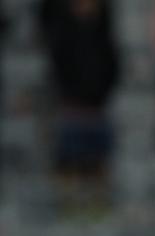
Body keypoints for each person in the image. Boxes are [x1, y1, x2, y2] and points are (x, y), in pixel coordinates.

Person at [38, 0, 120, 216]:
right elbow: (58, 70)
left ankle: (98, 206)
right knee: (69, 162)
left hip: (97, 110)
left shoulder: (104, 36)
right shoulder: (63, 36)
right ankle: (69, 205)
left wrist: (100, 94)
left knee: (97, 162)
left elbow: (113, 68)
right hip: (72, 109)